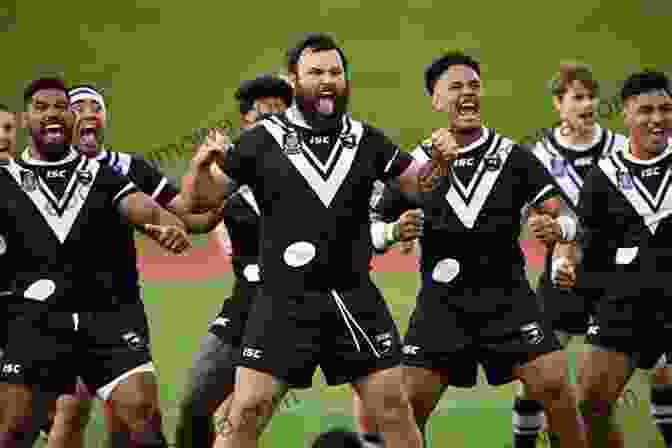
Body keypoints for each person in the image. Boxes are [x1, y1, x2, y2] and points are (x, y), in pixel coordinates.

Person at [181, 32, 429, 448]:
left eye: (335, 72)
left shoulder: (367, 139)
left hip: (352, 297)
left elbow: (420, 187)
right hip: (282, 300)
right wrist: (201, 169)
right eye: (316, 72)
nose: (327, 80)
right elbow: (201, 202)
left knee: (393, 408)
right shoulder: (261, 140)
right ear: (294, 80)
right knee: (245, 412)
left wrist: (437, 161)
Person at [399, 52, 587, 448]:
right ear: (435, 100)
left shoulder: (515, 158)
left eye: (473, 86)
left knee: (558, 392)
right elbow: (374, 221)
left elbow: (563, 217)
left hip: (509, 300)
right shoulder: (416, 163)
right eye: (456, 87)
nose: (468, 93)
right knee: (406, 406)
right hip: (442, 305)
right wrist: (392, 229)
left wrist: (560, 241)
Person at [0, 76, 190, 448]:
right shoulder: (5, 182)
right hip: (35, 323)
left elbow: (146, 209)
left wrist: (168, 227)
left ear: (72, 117)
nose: (51, 115)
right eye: (41, 108)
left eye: (60, 107)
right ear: (26, 120)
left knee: (145, 427)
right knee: (12, 432)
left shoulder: (103, 176)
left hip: (109, 321)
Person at [511, 62, 628, 448]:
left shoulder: (618, 150)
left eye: (591, 96)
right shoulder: (538, 155)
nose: (587, 104)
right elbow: (524, 213)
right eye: (577, 97)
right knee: (535, 375)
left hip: (611, 281)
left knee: (638, 378)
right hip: (559, 278)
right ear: (557, 104)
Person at [175, 73, 293, 448]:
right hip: (244, 305)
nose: (274, 120)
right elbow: (194, 218)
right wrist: (200, 165)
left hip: (294, 310)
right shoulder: (230, 176)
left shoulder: (304, 170)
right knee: (194, 405)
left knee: (240, 422)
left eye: (281, 112)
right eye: (264, 114)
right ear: (246, 121)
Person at [573, 69, 672, 448]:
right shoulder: (604, 175)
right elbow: (592, 250)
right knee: (590, 402)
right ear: (627, 115)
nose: (657, 118)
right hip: (625, 305)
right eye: (646, 110)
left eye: (665, 109)